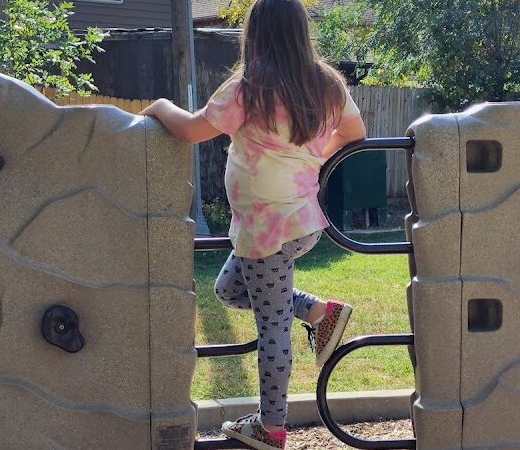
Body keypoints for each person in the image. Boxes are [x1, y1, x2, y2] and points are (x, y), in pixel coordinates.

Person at [140, 0, 366, 447]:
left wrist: (160, 107)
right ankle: (321, 312)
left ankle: (272, 426)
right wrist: (310, 156)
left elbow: (190, 129)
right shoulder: (326, 85)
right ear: (302, 31)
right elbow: (355, 132)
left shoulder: (250, 88)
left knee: (272, 329)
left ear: (255, 33)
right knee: (228, 289)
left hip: (267, 231)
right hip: (297, 223)